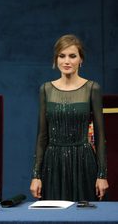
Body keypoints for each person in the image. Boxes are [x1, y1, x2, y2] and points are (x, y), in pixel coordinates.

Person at [30, 34, 109, 201]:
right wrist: (36, 175)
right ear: (56, 59)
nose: (67, 61)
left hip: (84, 163)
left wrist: (102, 175)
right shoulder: (45, 89)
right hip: (53, 165)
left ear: (81, 60)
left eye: (72, 56)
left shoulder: (92, 88)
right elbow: (42, 136)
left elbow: (100, 137)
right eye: (62, 56)